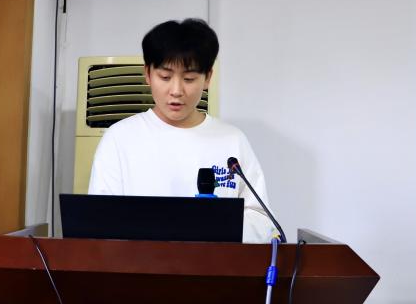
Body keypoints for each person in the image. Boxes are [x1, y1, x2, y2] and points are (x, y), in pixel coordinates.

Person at [88, 18, 276, 243]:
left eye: (189, 79)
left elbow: (260, 219)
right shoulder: (119, 138)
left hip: (213, 263)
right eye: (165, 77)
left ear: (208, 78)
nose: (176, 90)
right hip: (139, 263)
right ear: (147, 74)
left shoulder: (232, 140)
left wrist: (209, 229)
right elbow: (100, 221)